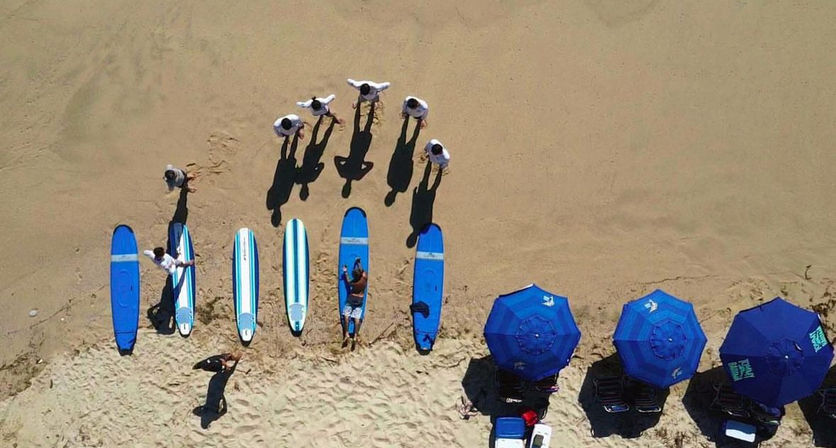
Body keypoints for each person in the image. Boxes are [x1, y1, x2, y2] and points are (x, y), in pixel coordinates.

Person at [341, 258, 367, 344]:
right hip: (360, 299)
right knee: (356, 318)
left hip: (351, 298)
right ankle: (355, 335)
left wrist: (345, 271)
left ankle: (347, 334)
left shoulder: (353, 283)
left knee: (346, 315)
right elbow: (362, 270)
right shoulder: (364, 277)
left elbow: (348, 280)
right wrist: (358, 263)